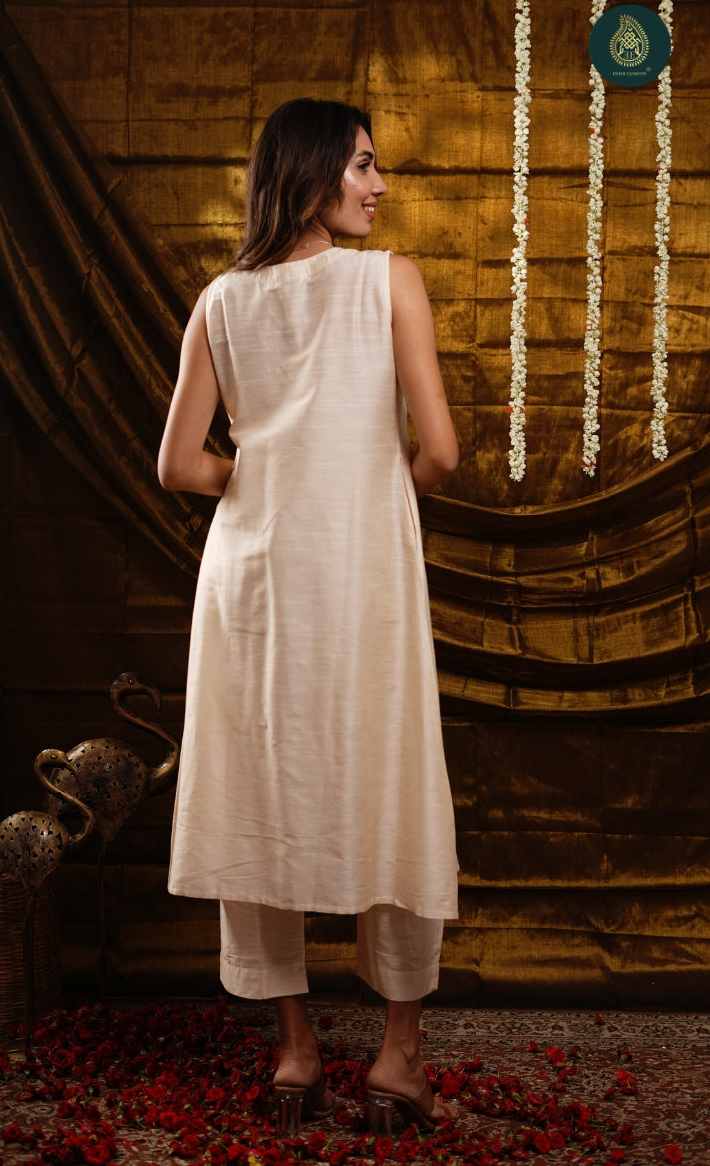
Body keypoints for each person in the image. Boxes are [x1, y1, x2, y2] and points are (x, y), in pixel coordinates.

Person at [158, 97, 459, 1135]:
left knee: (261, 786)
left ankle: (295, 1053)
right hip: (360, 570)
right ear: (314, 169)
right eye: (363, 165)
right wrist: (372, 495)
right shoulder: (389, 281)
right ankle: (396, 1059)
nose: (379, 185)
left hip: (249, 577)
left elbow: (180, 464)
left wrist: (263, 477)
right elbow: (441, 451)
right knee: (393, 779)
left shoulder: (220, 300)